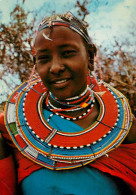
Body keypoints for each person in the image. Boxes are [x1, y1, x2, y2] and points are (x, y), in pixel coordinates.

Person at [0, 11, 136, 195]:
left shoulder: (124, 127)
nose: (55, 67)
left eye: (68, 53)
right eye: (44, 58)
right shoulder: (12, 129)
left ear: (89, 57)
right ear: (36, 64)